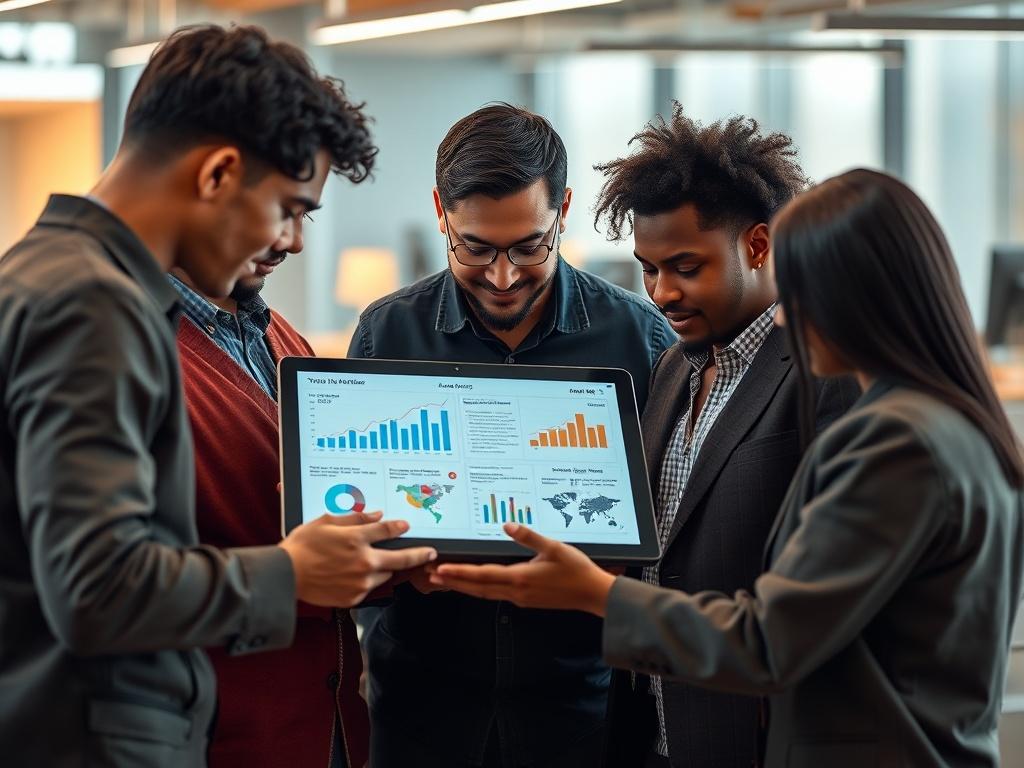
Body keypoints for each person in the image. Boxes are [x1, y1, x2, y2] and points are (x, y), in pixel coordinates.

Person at [431, 168, 1024, 768]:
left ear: (861, 293)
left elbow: (773, 638)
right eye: (651, 269)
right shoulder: (677, 369)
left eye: (800, 291)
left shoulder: (899, 437)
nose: (789, 316)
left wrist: (599, 594)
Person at [0, 24, 435, 768]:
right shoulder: (91, 302)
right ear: (218, 173)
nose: (295, 242)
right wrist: (293, 572)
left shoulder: (50, 277)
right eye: (290, 208)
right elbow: (96, 585)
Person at [347, 103, 674, 768]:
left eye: (530, 245)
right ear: (441, 211)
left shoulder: (641, 342)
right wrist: (392, 565)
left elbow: (678, 523)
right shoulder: (387, 336)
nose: (503, 277)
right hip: (418, 708)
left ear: (564, 211)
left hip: (584, 712)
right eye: (475, 248)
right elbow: (349, 522)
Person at [588, 105, 857, 767]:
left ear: (759, 246)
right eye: (648, 270)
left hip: (757, 736)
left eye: (685, 267)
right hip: (654, 730)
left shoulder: (826, 374)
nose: (661, 293)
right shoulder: (673, 365)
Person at [172, 242, 369, 762]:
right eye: (276, 206)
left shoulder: (279, 335)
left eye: (302, 214)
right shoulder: (129, 356)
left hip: (326, 722)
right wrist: (297, 573)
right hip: (222, 736)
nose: (291, 240)